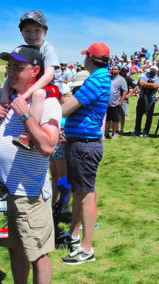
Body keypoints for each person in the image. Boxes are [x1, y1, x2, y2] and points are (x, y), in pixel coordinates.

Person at [0, 45, 61, 283]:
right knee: (12, 248)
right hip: (0, 192)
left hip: (29, 196)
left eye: (18, 67)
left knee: (38, 255)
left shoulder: (48, 103)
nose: (11, 71)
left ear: (36, 70)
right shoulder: (8, 98)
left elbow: (48, 147)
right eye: (9, 67)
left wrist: (25, 115)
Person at [0, 10, 60, 149]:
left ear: (45, 32)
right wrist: (4, 95)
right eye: (27, 31)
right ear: (21, 33)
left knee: (38, 94)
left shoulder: (47, 49)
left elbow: (48, 75)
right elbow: (10, 76)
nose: (32, 35)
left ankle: (29, 135)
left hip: (50, 86)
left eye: (37, 30)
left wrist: (26, 95)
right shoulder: (22, 49)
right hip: (31, 87)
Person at [59, 42, 111, 265]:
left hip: (84, 145)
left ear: (90, 58)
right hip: (80, 144)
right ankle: (73, 236)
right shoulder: (100, 77)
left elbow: (67, 108)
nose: (83, 60)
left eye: (85, 56)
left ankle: (86, 249)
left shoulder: (96, 79)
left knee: (86, 196)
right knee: (80, 194)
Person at [132, 66, 159, 137]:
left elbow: (156, 86)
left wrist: (146, 85)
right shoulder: (144, 76)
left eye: (154, 70)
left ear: (156, 72)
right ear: (150, 70)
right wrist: (151, 85)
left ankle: (146, 132)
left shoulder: (157, 78)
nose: (153, 71)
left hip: (151, 99)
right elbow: (141, 84)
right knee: (139, 115)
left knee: (149, 116)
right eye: (152, 70)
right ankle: (137, 130)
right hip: (142, 98)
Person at [105, 65, 128, 139]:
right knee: (107, 119)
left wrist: (121, 101)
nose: (113, 70)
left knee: (115, 120)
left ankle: (113, 133)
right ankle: (106, 133)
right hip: (106, 103)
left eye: (115, 69)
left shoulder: (121, 79)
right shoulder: (107, 78)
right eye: (112, 69)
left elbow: (125, 91)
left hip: (116, 103)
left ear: (118, 71)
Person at [119, 66, 139, 134]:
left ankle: (121, 129)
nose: (123, 72)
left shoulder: (128, 78)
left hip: (124, 98)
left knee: (123, 115)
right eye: (122, 70)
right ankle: (114, 129)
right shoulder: (116, 76)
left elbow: (136, 86)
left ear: (127, 72)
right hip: (115, 98)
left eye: (125, 71)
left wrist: (129, 95)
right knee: (114, 114)